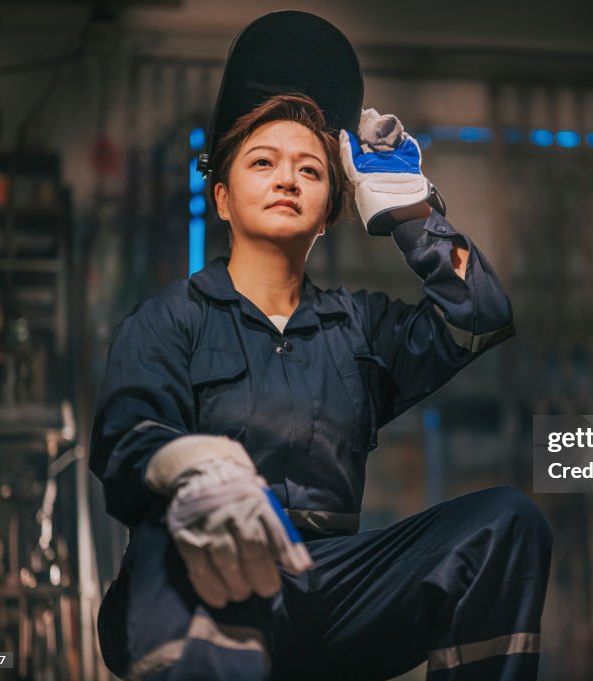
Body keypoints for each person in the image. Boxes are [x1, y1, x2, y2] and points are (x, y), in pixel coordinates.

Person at [90, 92, 553, 680]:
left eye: (309, 170)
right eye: (262, 163)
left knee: (506, 524)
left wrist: (410, 213)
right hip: (202, 575)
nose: (287, 179)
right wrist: (185, 468)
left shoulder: (359, 327)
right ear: (223, 200)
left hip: (331, 591)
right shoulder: (170, 319)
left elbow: (479, 317)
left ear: (332, 208)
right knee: (185, 546)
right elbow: (125, 439)